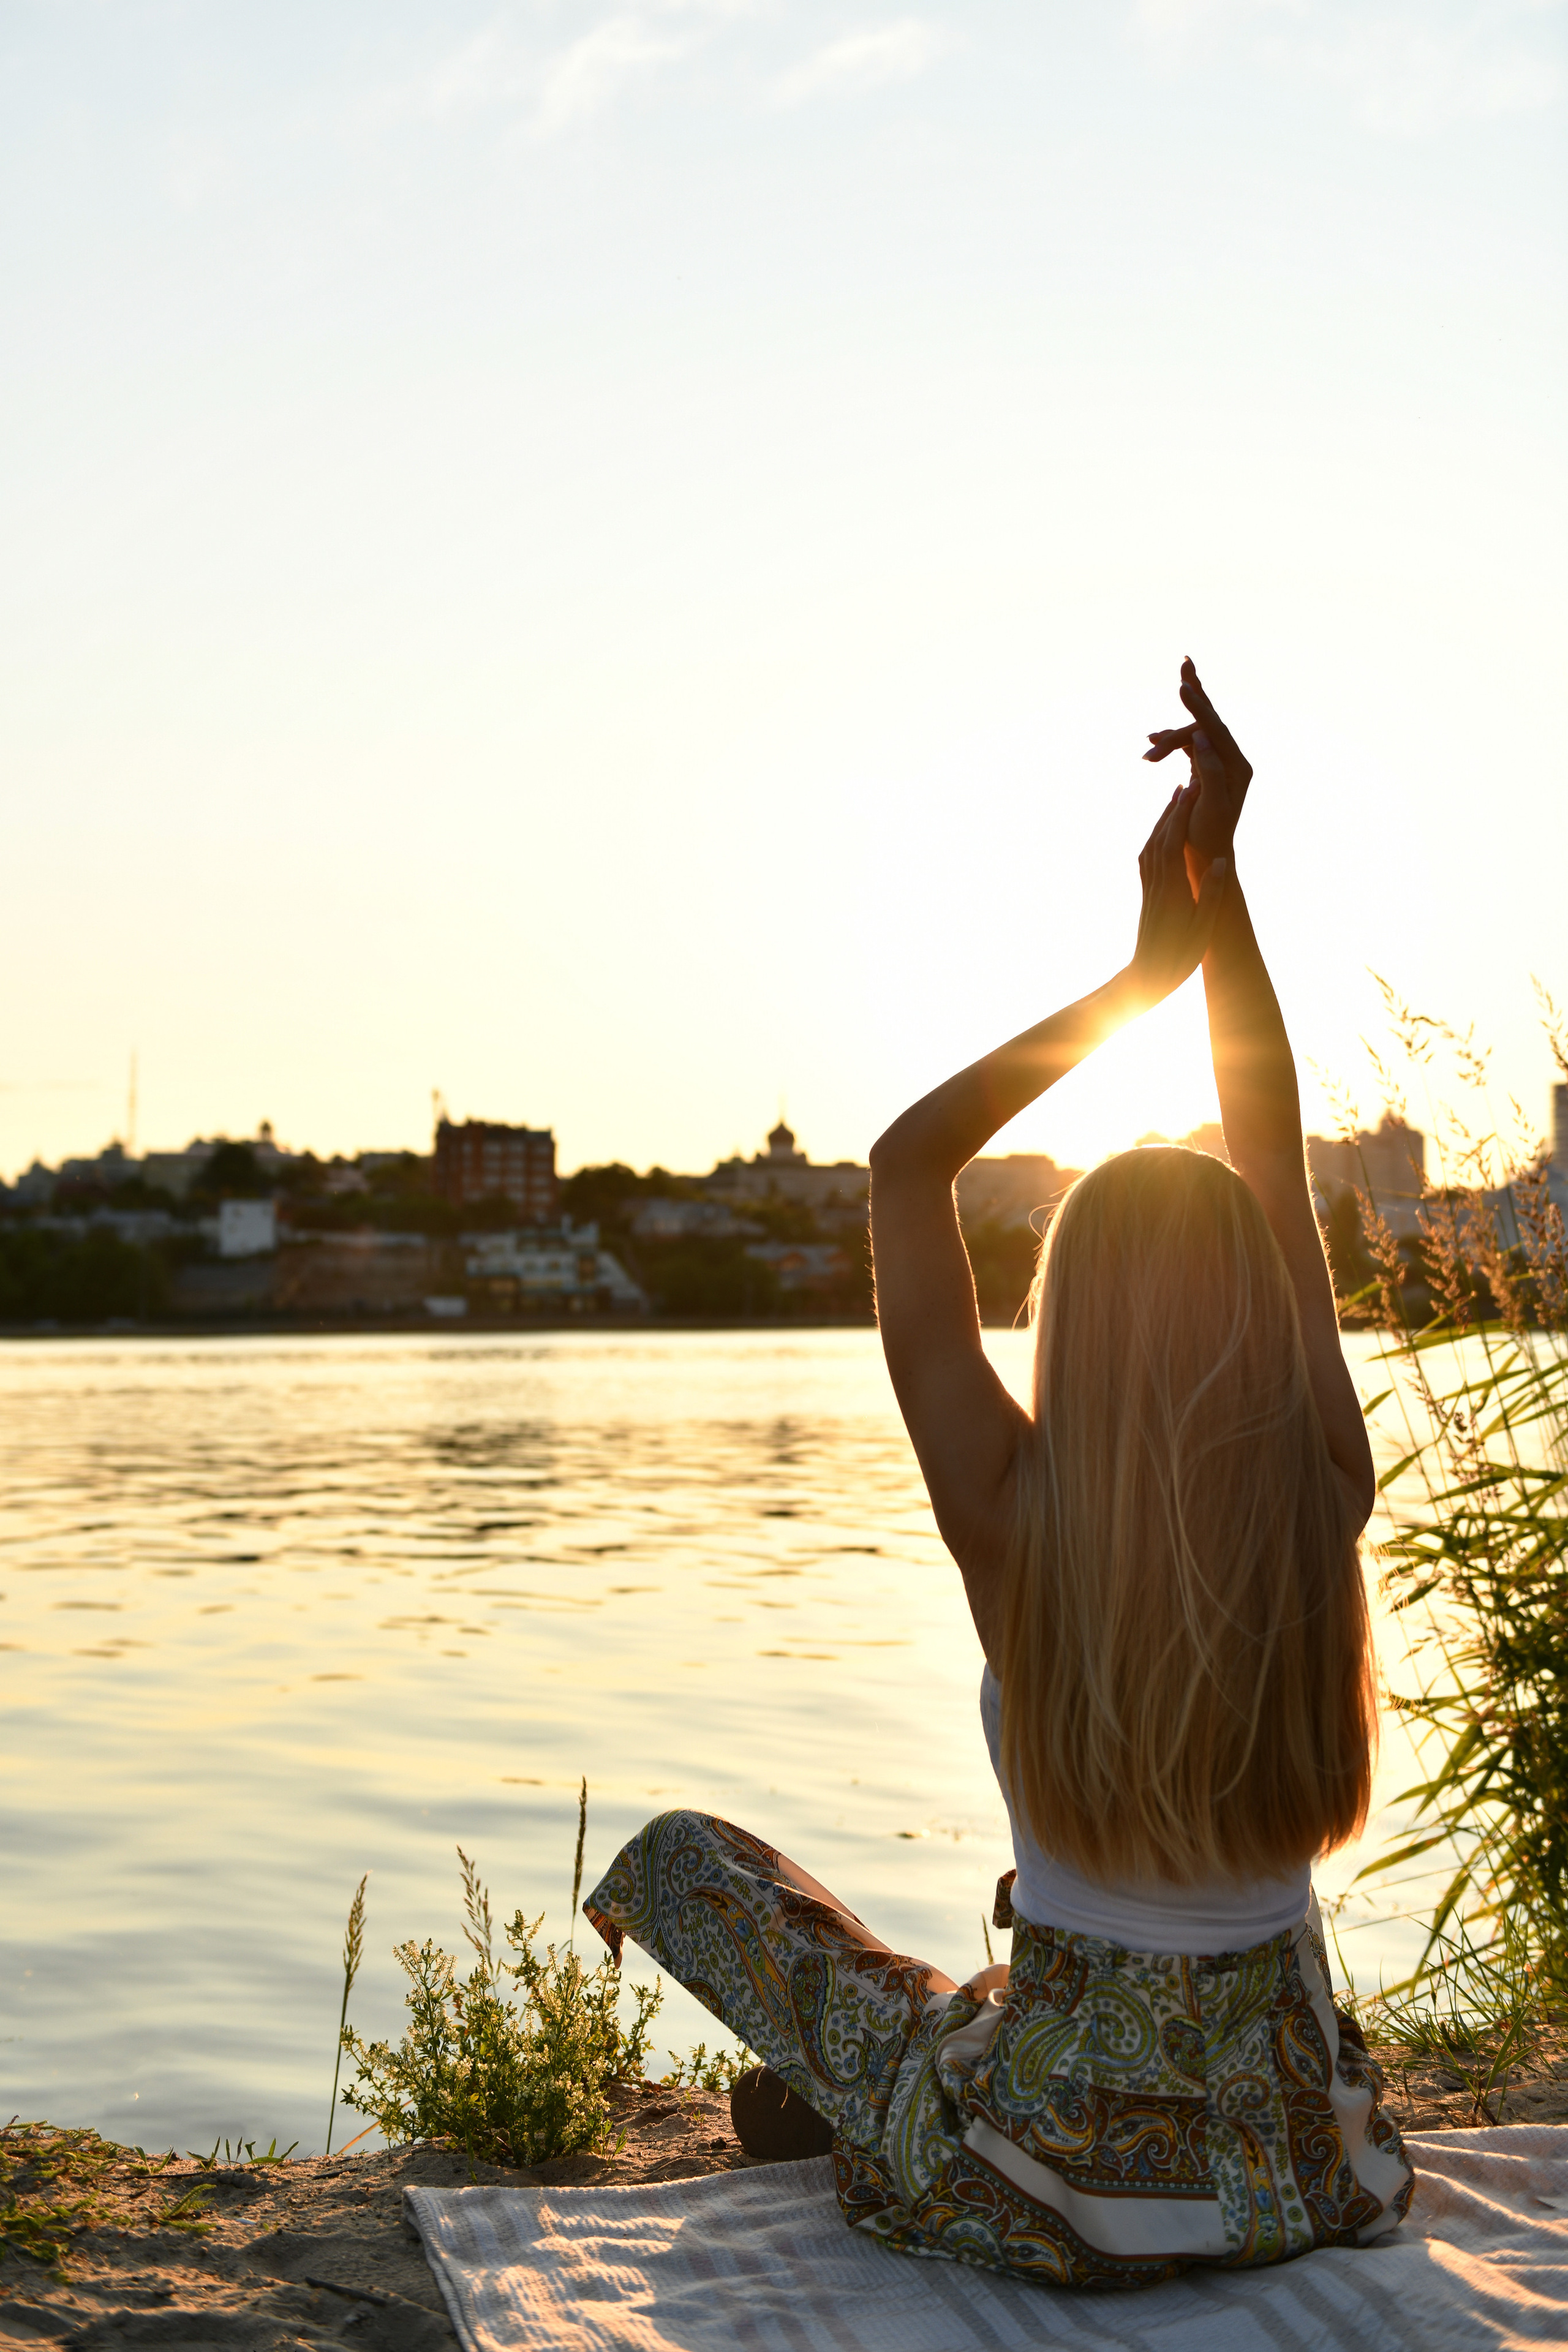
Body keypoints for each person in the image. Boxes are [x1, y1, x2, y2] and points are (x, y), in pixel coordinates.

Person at [584, 661, 1412, 2289]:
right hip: (1301, 2167)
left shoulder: (1016, 1525)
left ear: (1071, 1324)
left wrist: (1133, 976)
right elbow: (1269, 1148)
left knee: (694, 1861)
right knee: (982, 2001)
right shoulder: (1324, 1488)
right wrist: (1223, 887)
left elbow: (904, 1169)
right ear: (1262, 1304)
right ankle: (907, 2076)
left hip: (1063, 2181)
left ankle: (879, 2104)